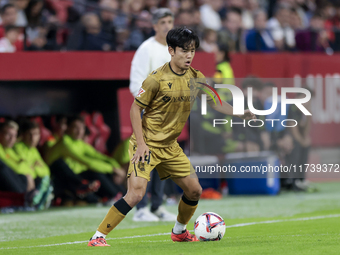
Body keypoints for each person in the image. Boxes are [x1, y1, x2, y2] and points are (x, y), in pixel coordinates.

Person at [88, 27, 255, 246]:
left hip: (170, 146)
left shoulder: (196, 78)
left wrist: (239, 113)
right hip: (146, 144)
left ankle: (179, 231)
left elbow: (216, 102)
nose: (189, 55)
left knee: (194, 190)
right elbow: (134, 110)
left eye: (192, 50)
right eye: (184, 50)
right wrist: (140, 145)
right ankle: (98, 237)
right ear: (171, 50)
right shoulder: (155, 79)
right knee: (136, 194)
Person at [129, 8, 177, 222]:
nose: (167, 25)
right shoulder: (145, 49)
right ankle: (140, 209)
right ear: (155, 25)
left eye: (170, 21)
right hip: (149, 114)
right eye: (163, 22)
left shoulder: (174, 50)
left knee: (162, 162)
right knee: (144, 160)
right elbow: (135, 84)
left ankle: (157, 206)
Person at [45, 116, 125, 201]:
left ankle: (121, 194)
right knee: (96, 172)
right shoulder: (65, 142)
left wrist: (117, 168)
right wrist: (112, 169)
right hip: (59, 178)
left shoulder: (79, 143)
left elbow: (100, 156)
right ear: (68, 128)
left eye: (82, 128)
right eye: (76, 127)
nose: (79, 131)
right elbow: (86, 162)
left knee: (104, 172)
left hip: (75, 175)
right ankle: (114, 195)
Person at [14, 120, 53, 209]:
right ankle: (36, 200)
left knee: (46, 179)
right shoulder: (17, 147)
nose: (32, 138)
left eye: (35, 134)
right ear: (23, 135)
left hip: (36, 180)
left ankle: (38, 199)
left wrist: (33, 167)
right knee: (38, 179)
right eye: (29, 134)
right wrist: (35, 168)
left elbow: (46, 171)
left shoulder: (34, 150)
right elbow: (21, 168)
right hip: (23, 180)